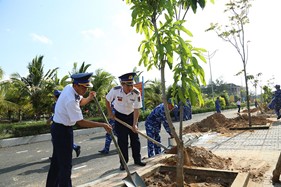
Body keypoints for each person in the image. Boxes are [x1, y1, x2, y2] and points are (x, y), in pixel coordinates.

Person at [46, 72, 112, 187]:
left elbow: (81, 102)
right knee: (65, 166)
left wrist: (90, 98)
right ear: (76, 85)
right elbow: (81, 122)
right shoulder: (70, 99)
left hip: (62, 128)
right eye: (84, 87)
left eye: (87, 87)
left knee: (57, 163)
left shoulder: (70, 89)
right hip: (62, 131)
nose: (86, 90)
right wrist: (102, 124)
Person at [105, 72, 146, 171]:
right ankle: (123, 163)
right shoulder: (115, 91)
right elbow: (107, 100)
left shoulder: (136, 93)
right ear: (122, 84)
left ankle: (137, 160)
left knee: (135, 140)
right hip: (119, 117)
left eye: (132, 85)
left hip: (131, 116)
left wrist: (135, 124)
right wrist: (111, 113)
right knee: (122, 142)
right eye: (128, 85)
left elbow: (137, 109)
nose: (130, 87)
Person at [47, 90, 81, 158]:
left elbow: (58, 114)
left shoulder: (58, 104)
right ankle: (57, 155)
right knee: (60, 141)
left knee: (58, 141)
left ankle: (73, 148)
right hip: (61, 124)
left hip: (60, 125)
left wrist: (50, 119)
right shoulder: (59, 102)